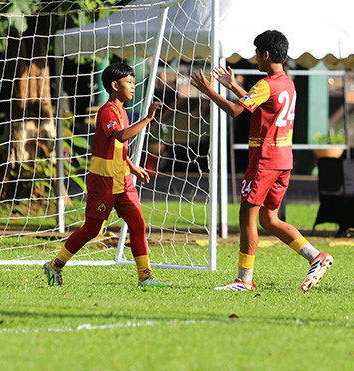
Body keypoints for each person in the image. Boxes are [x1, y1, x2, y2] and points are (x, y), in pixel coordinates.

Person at [190, 29, 334, 291]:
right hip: (283, 160)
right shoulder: (287, 83)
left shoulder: (265, 83)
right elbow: (261, 102)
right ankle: (316, 257)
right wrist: (232, 85)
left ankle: (244, 280)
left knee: (247, 214)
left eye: (257, 53)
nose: (255, 58)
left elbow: (236, 110)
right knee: (269, 219)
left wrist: (209, 91)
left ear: (265, 54)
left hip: (264, 160)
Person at [43, 62, 168, 288]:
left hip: (123, 180)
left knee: (138, 224)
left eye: (133, 81)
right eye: (128, 82)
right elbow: (120, 136)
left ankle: (145, 277)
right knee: (92, 230)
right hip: (104, 181)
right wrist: (147, 119)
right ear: (114, 85)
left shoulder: (122, 111)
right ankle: (55, 264)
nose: (133, 86)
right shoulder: (107, 111)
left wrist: (131, 166)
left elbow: (116, 147)